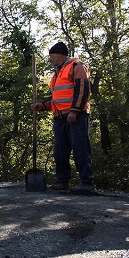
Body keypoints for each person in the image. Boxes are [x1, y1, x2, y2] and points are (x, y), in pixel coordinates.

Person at [32, 41, 95, 193]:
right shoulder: (57, 74)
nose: (50, 59)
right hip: (60, 118)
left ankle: (87, 183)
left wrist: (74, 111)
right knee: (60, 151)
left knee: (80, 149)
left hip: (76, 117)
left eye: (51, 55)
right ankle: (63, 181)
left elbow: (83, 89)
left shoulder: (76, 66)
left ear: (60, 54)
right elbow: (58, 98)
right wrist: (43, 106)